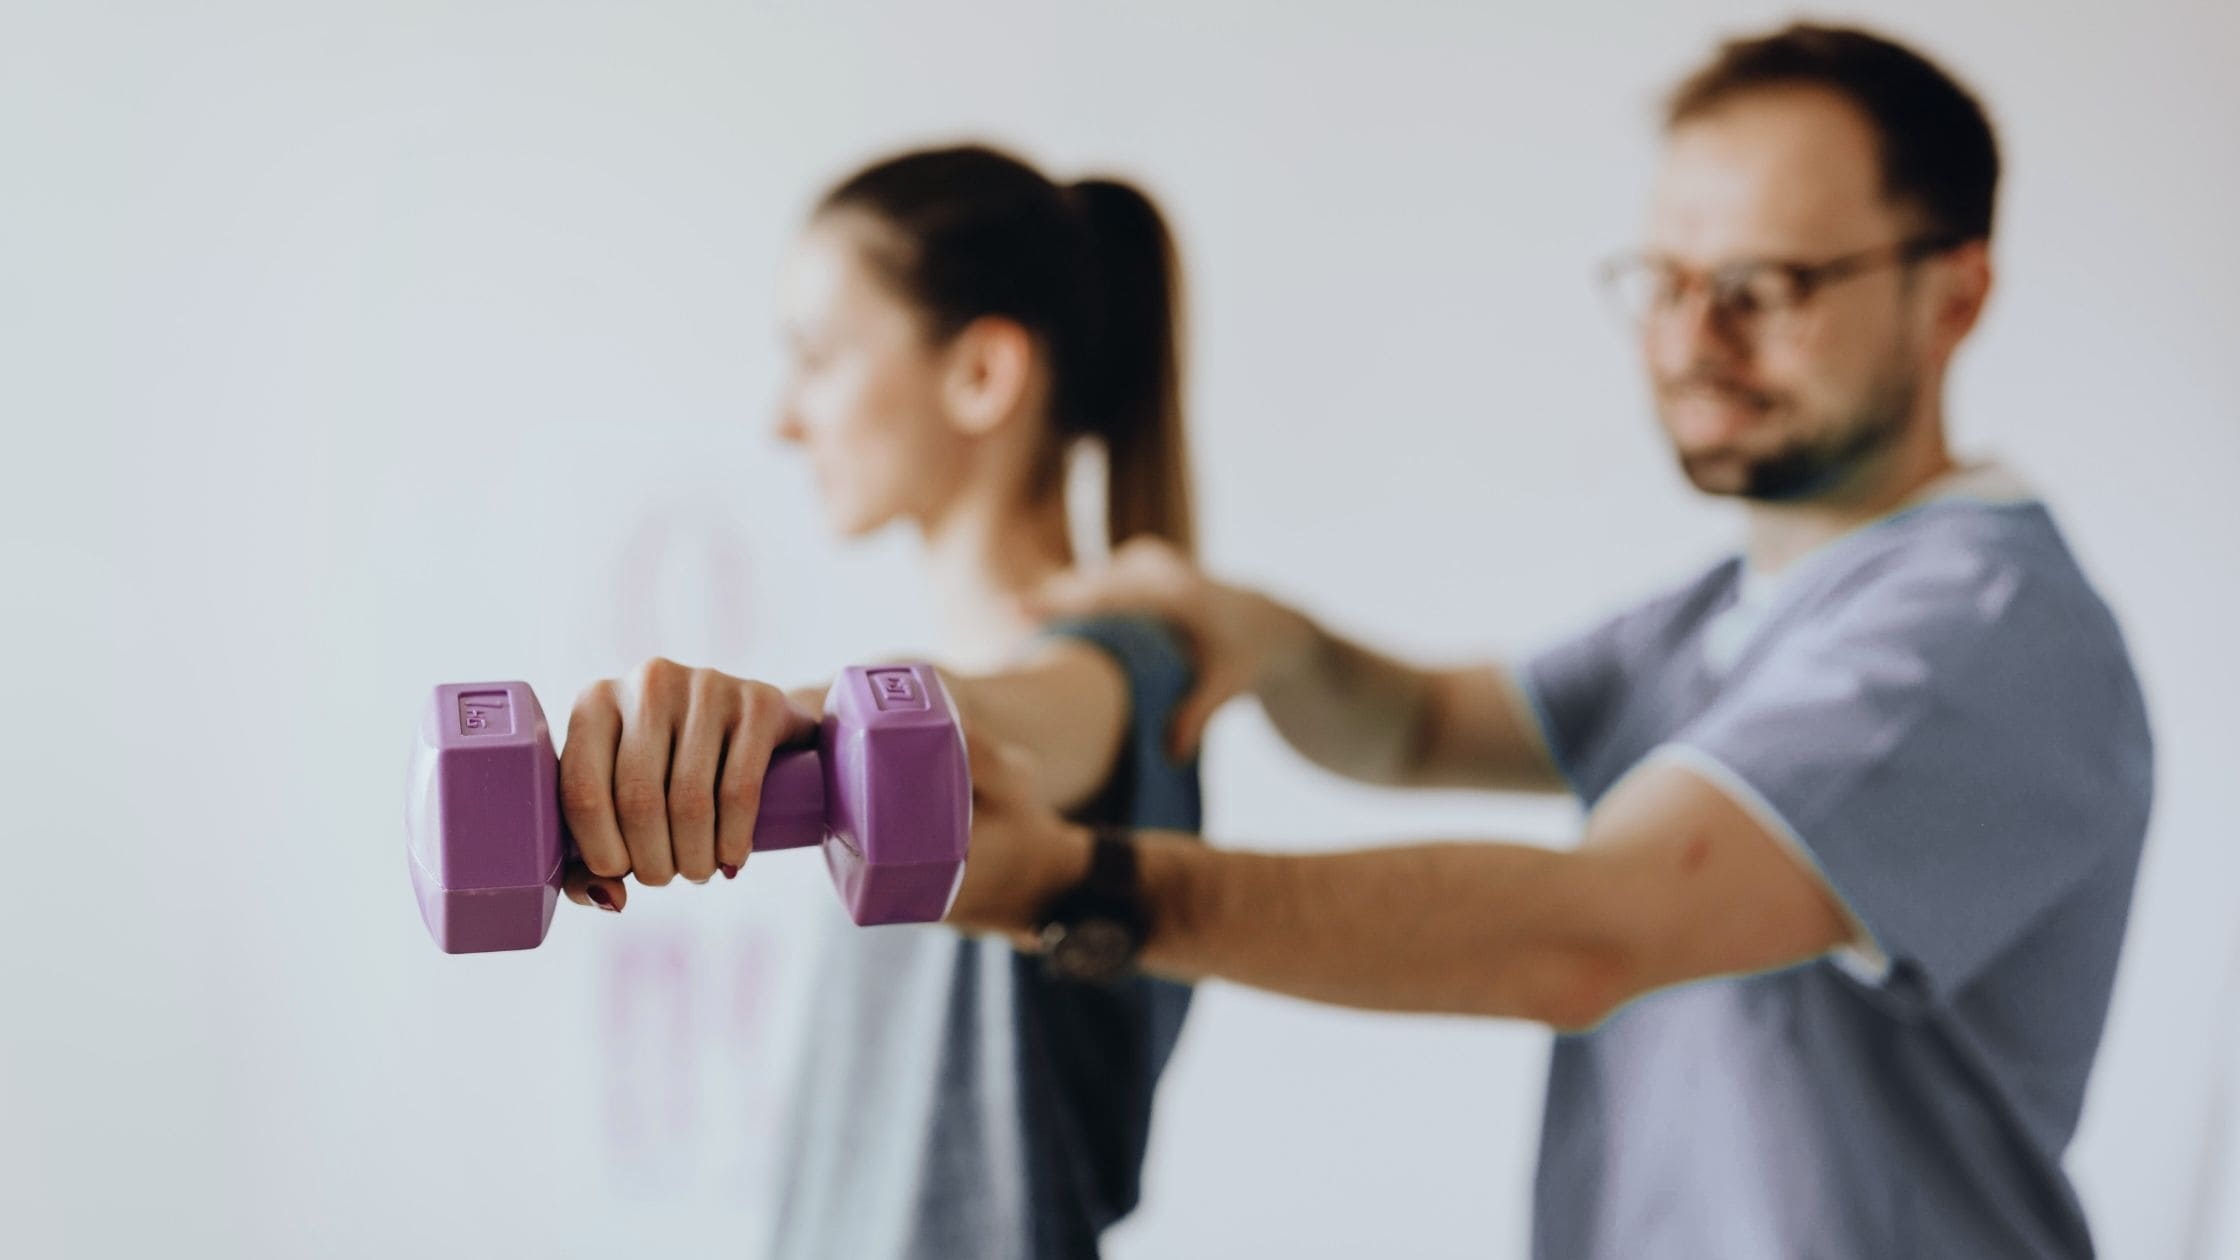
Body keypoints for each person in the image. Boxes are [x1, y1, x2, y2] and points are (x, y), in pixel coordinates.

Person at [564, 23, 2155, 1259]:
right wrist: (1245, 632)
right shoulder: (1728, 613)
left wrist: (1075, 880)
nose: (1689, 337)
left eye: (1763, 285)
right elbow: (1412, 723)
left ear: (1956, 294)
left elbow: (1582, 934)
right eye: (1666, 279)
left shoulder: (1973, 633)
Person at [560, 145, 1205, 1259]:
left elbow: (991, 725)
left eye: (815, 357)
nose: (783, 420)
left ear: (981, 376)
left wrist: (786, 720)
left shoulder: (1114, 674)